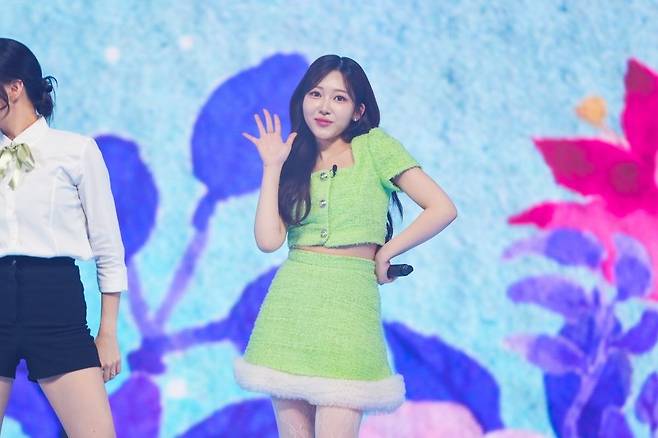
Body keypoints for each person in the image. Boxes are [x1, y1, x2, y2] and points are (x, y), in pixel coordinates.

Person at [235, 54, 458, 438]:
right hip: (291, 309)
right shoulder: (293, 158)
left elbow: (442, 207)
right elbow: (269, 241)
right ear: (302, 99)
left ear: (358, 111)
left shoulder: (375, 148)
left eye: (339, 98)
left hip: (350, 308)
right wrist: (272, 166)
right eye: (316, 94)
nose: (324, 106)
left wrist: (387, 252)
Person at [0, 38, 125, 437]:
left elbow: (108, 246)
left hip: (54, 302)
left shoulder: (75, 150)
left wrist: (108, 332)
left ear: (14, 87)